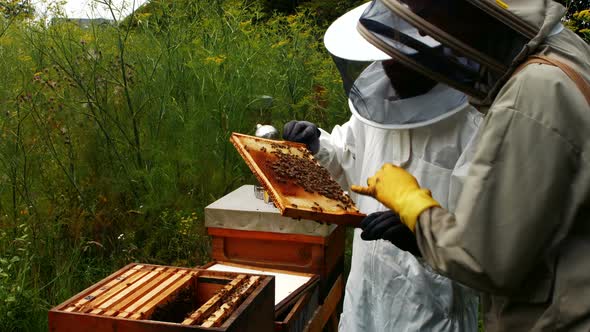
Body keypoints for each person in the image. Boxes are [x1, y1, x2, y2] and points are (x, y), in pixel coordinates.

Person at [350, 0, 590, 330]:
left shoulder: (532, 93)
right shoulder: (563, 51)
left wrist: (415, 211)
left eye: (428, 13)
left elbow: (483, 258)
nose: (423, 31)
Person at [283, 2, 481, 330]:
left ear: (432, 54)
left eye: (403, 59)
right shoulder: (376, 110)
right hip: (365, 299)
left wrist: (422, 236)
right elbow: (347, 161)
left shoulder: (473, 126)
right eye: (387, 54)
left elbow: (487, 249)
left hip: (430, 311)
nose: (391, 66)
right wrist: (317, 145)